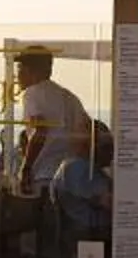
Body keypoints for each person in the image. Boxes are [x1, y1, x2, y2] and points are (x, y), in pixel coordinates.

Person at [13, 48, 93, 189]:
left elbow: (41, 132)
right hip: (70, 175)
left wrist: (25, 169)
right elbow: (87, 132)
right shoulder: (69, 97)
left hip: (44, 174)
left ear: (31, 71)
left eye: (19, 68)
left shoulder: (32, 94)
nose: (16, 75)